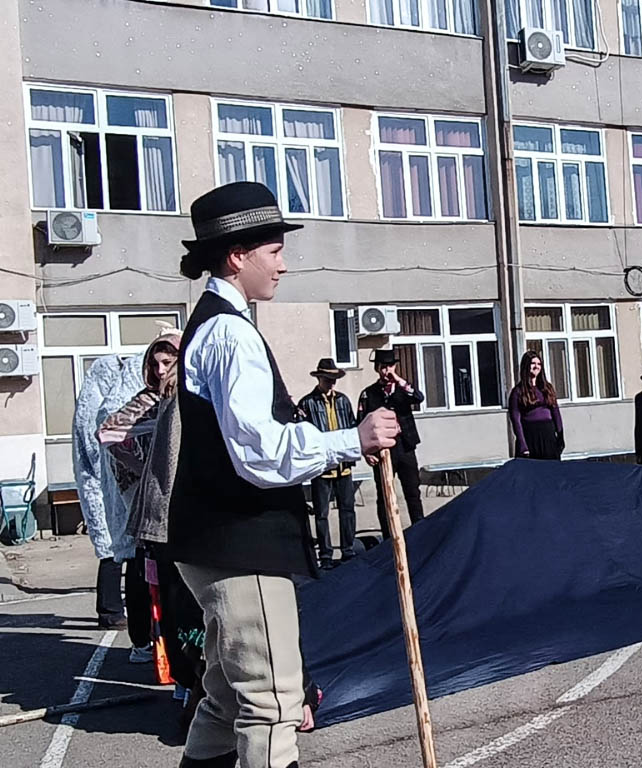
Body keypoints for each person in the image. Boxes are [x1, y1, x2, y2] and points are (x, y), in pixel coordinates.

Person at [167, 181, 398, 768]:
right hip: (239, 543)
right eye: (273, 251)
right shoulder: (229, 333)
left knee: (226, 697)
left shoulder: (215, 324)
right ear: (236, 255)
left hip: (214, 541)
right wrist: (352, 439)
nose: (283, 265)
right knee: (271, 704)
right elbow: (261, 452)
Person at [97, 330, 181, 665]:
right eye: (155, 363)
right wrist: (143, 467)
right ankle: (142, 640)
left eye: (168, 362)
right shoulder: (146, 400)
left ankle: (178, 649)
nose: (161, 370)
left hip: (184, 501)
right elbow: (108, 432)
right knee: (142, 568)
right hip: (149, 501)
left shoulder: (190, 396)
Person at [72, 352, 145, 631]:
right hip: (104, 482)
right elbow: (94, 442)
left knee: (119, 545)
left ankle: (115, 610)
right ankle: (111, 610)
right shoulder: (100, 404)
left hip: (111, 480)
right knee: (112, 547)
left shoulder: (100, 400)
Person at [358, 348, 426, 539]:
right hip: (382, 450)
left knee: (412, 491)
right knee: (385, 495)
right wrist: (366, 452)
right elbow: (361, 424)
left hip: (405, 446)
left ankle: (420, 531)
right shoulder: (369, 393)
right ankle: (388, 537)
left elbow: (418, 397)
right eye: (382, 367)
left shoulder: (403, 389)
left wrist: (398, 380)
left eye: (389, 366)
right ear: (377, 369)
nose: (386, 371)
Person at [298, 359, 358, 569]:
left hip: (343, 465)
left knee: (347, 509)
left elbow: (351, 427)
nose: (331, 383)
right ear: (319, 379)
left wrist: (353, 454)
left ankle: (348, 550)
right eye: (327, 379)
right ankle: (325, 555)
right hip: (321, 467)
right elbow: (303, 433)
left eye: (334, 379)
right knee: (322, 513)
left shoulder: (343, 401)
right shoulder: (307, 403)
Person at [509, 351, 565, 460]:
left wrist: (560, 436)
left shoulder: (547, 388)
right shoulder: (518, 391)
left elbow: (556, 413)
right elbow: (516, 420)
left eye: (539, 364)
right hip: (530, 436)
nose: (536, 366)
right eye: (533, 363)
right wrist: (522, 444)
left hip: (548, 436)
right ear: (526, 366)